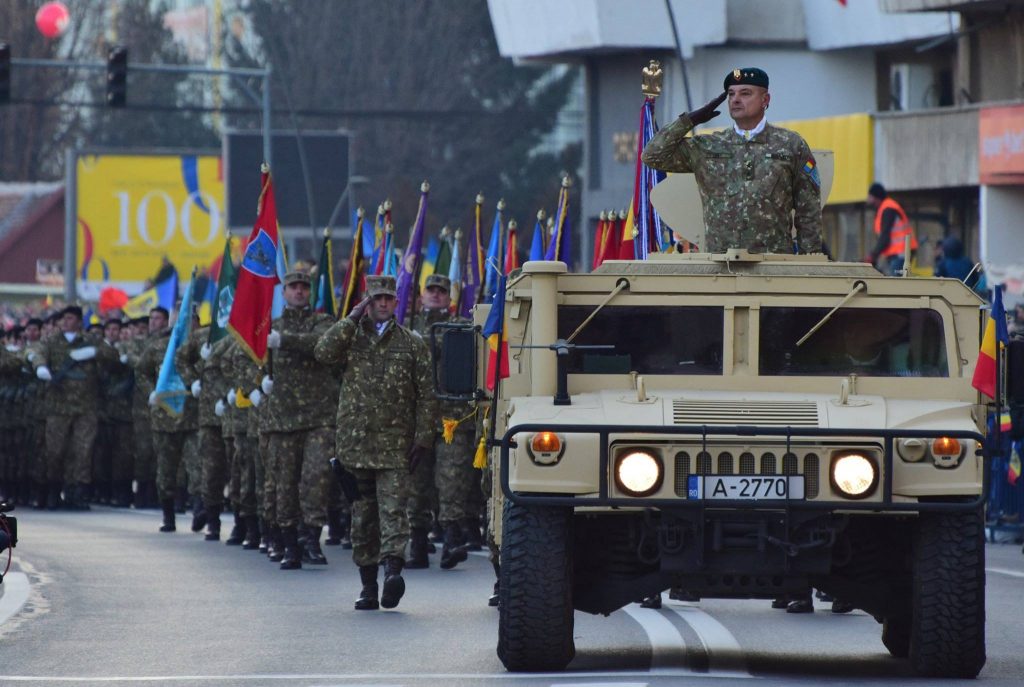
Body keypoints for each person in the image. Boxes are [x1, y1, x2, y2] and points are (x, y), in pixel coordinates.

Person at [314, 275, 437, 610]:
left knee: (394, 511)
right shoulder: (351, 338)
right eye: (376, 299)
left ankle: (393, 572)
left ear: (396, 302)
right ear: (367, 303)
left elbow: (427, 395)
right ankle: (368, 585)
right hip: (356, 446)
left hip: (396, 445)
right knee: (363, 517)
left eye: (388, 298)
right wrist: (350, 319)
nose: (382, 304)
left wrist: (424, 437)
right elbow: (322, 352)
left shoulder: (412, 343)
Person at [641, 67, 822, 254]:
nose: (735, 99)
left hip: (774, 265)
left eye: (745, 93)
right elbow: (652, 156)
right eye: (731, 94)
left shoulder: (790, 145)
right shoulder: (708, 146)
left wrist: (808, 264)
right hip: (720, 266)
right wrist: (689, 120)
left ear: (765, 100)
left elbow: (808, 210)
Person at [263, 270, 339, 570]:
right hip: (282, 419)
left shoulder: (320, 322)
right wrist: (255, 385)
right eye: (293, 287)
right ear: (283, 293)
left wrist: (284, 341)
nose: (298, 292)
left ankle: (311, 537)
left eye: (303, 288)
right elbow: (245, 359)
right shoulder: (271, 327)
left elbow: (322, 343)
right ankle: (289, 542)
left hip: (318, 416)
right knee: (285, 484)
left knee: (316, 479)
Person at [408, 274, 476, 570]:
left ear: (450, 298)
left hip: (452, 419)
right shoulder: (407, 328)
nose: (435, 295)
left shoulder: (460, 326)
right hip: (416, 419)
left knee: (452, 482)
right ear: (421, 296)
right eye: (430, 290)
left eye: (441, 291)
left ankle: (451, 540)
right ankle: (418, 543)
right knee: (415, 484)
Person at [30, 305, 115, 510]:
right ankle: (52, 490)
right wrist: (41, 367)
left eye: (69, 318)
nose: (65, 322)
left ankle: (76, 493)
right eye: (63, 319)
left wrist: (95, 351)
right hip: (57, 407)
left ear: (78, 321)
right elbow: (38, 353)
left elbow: (113, 357)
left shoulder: (91, 341)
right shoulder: (51, 341)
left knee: (83, 452)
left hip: (86, 407)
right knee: (55, 451)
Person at [867, 183, 917, 276]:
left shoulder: (888, 209)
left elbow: (885, 236)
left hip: (901, 252)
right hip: (900, 252)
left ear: (876, 197)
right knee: (895, 280)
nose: (868, 199)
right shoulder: (885, 208)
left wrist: (873, 255)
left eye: (870, 196)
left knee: (895, 284)